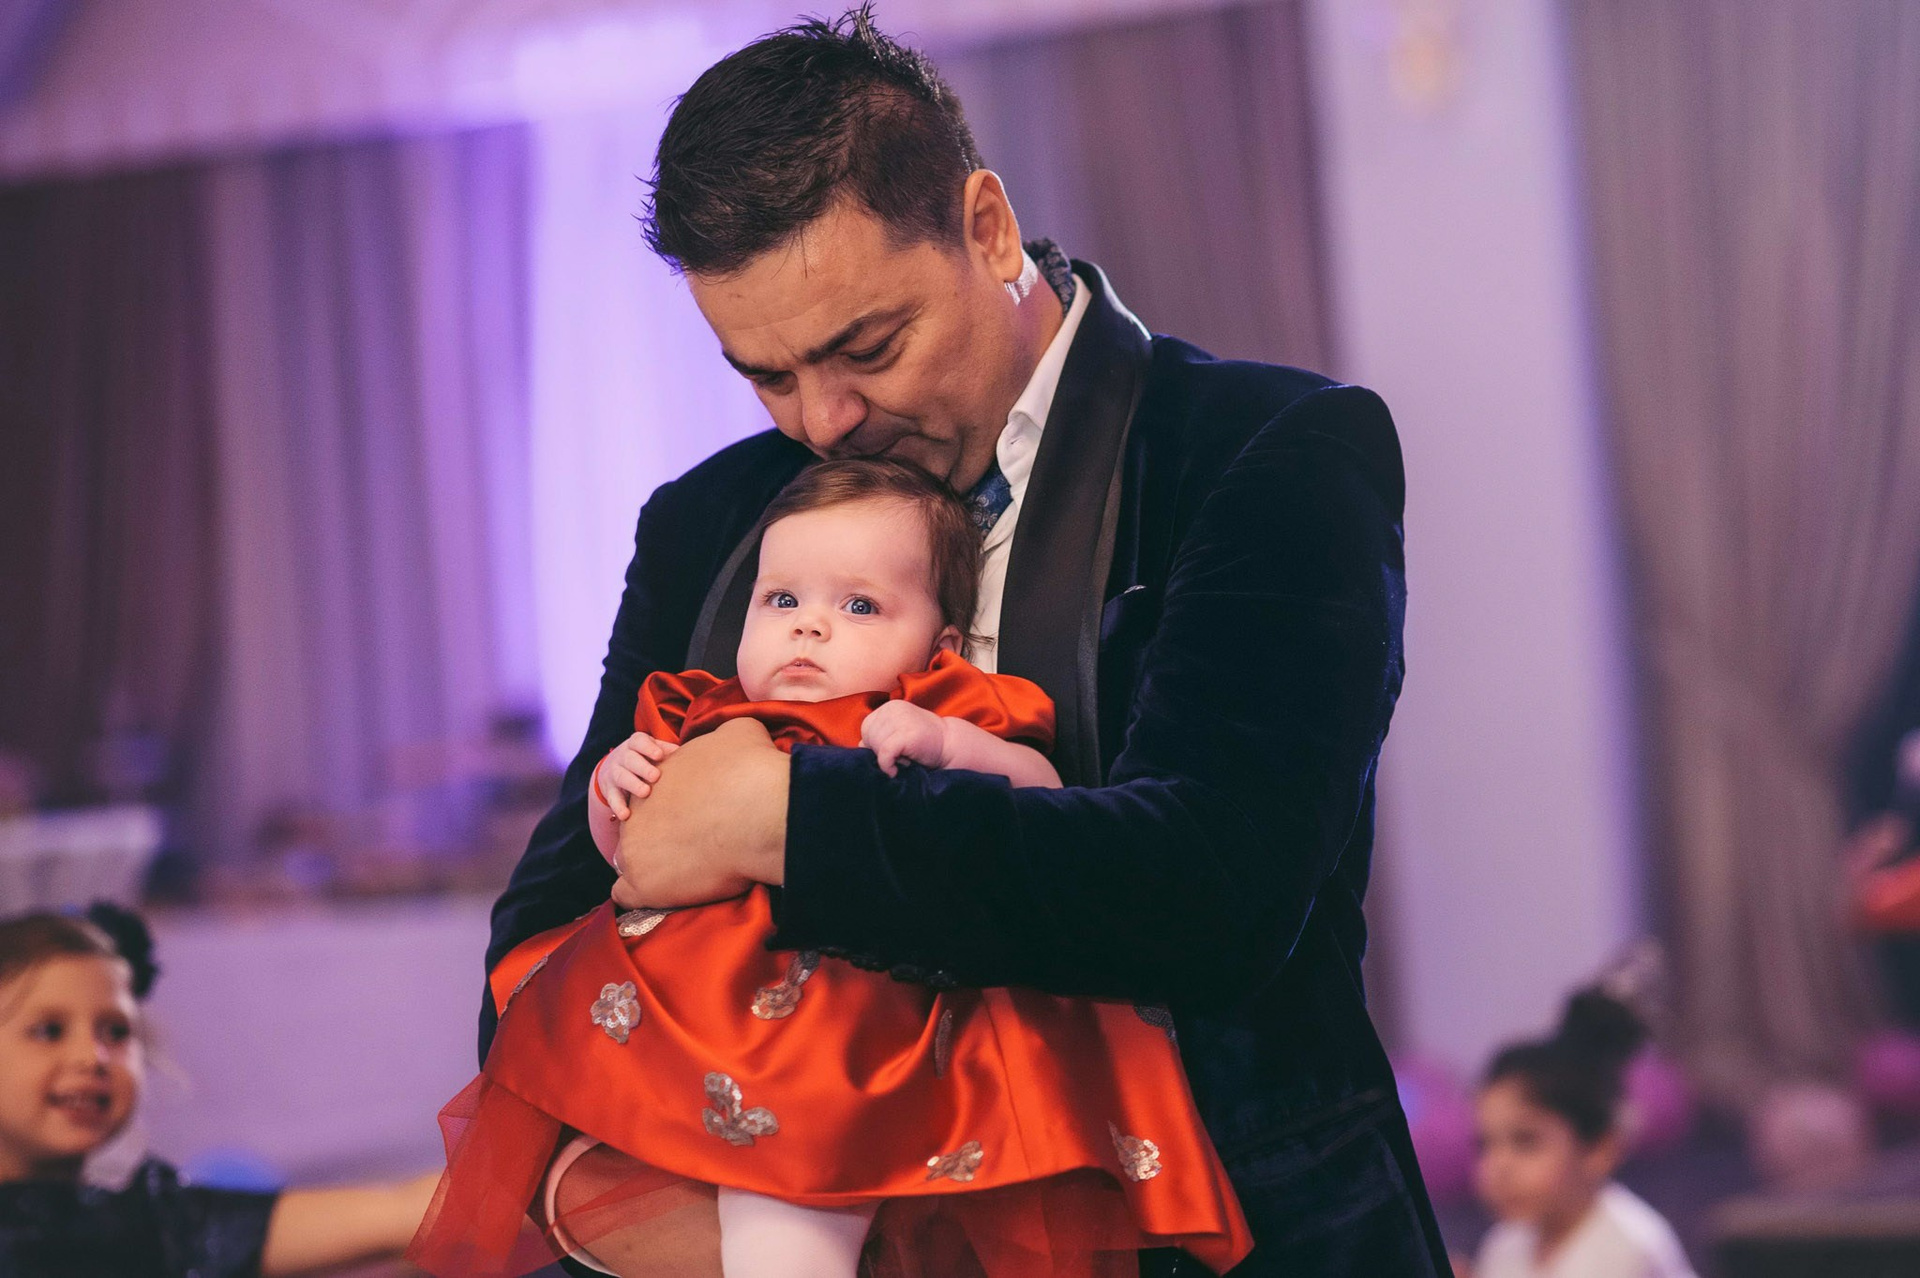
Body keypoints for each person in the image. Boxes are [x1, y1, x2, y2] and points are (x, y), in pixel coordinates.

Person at [486, 8, 1447, 1274]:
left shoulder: (1264, 451)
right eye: (766, 375)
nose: (822, 422)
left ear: (986, 228)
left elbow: (1213, 891)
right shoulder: (710, 520)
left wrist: (781, 818)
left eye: (867, 348)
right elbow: (540, 935)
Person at [414, 460, 1252, 1276]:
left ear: (941, 644)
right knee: (641, 1183)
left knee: (790, 1212)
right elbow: (628, 862)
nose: (808, 627)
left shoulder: (935, 706)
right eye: (782, 600)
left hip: (851, 1027)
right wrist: (615, 786)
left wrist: (948, 743)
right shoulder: (698, 710)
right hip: (690, 1018)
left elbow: (1045, 795)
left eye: (859, 606)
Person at [0, 903, 438, 1277]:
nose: (92, 1057)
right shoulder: (146, 1232)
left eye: (116, 1031)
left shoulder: (151, 1227)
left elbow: (402, 1213)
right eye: (48, 1030)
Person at [1471, 988, 1696, 1278]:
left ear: (1600, 1148)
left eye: (1525, 1142)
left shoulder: (1630, 1248)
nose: (1498, 1167)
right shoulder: (1504, 1245)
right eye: (1484, 1145)